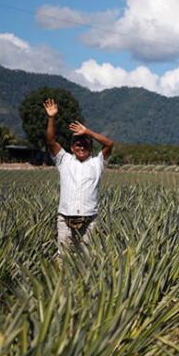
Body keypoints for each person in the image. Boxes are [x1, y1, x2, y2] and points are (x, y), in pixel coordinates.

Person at [43, 98, 114, 253]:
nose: (81, 147)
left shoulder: (97, 163)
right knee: (63, 258)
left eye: (85, 144)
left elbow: (109, 144)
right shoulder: (64, 160)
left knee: (87, 260)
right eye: (78, 144)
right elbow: (50, 141)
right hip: (65, 219)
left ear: (90, 147)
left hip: (89, 221)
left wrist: (87, 132)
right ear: (72, 148)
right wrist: (51, 118)